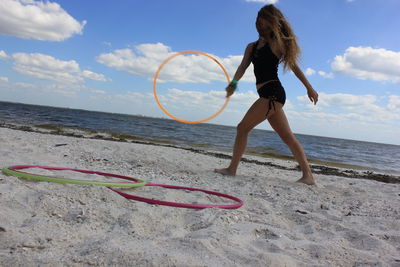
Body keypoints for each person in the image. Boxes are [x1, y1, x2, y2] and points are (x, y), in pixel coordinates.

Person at [215, 4, 319, 185]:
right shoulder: (251, 47)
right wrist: (233, 83)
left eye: (263, 24)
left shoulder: (276, 44)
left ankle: (232, 169)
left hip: (272, 94)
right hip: (267, 94)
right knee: (288, 137)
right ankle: (308, 176)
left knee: (242, 128)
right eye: (257, 24)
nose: (259, 27)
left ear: (271, 24)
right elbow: (242, 67)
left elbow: (294, 67)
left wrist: (309, 87)